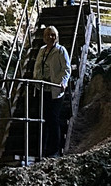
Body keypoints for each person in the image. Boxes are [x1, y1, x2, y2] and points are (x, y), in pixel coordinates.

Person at [33, 25, 71, 157]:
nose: (50, 37)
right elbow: (37, 66)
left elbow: (66, 69)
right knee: (43, 118)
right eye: (48, 35)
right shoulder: (42, 50)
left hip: (55, 88)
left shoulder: (61, 50)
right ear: (44, 37)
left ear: (57, 37)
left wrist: (63, 82)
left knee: (53, 118)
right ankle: (42, 147)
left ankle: (54, 148)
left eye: (53, 35)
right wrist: (36, 78)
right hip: (43, 88)